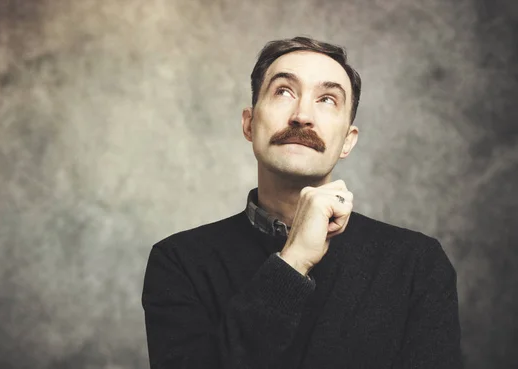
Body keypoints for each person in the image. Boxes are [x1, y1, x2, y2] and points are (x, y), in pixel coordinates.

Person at [141, 36, 462, 369]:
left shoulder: (417, 264)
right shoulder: (179, 262)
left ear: (347, 142)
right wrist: (292, 263)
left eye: (326, 99)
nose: (302, 115)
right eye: (283, 91)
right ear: (249, 124)